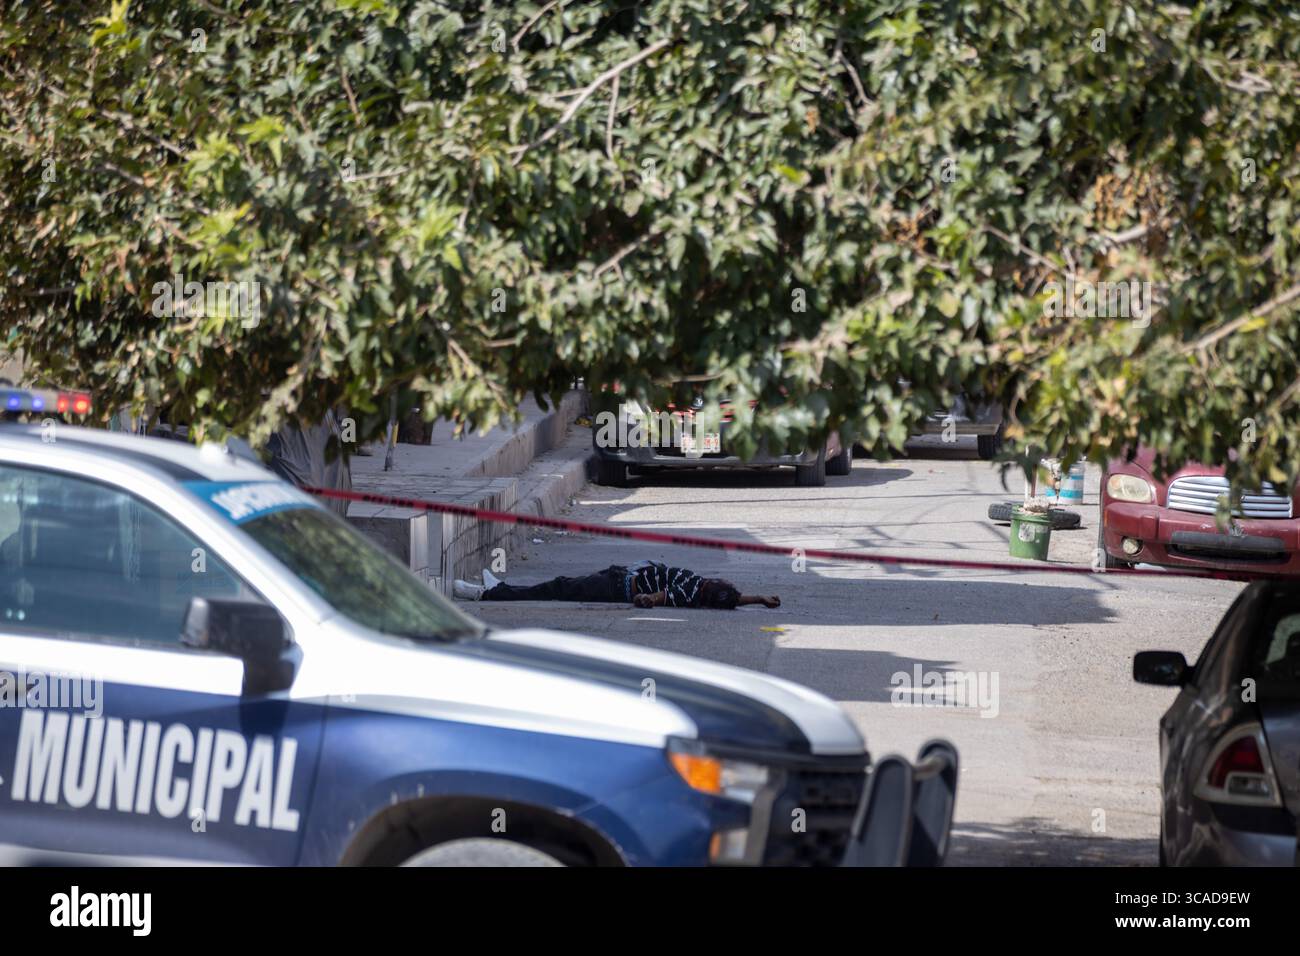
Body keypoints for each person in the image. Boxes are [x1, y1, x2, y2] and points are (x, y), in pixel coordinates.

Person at [453, 560, 781, 610]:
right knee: (561, 584)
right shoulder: (710, 591)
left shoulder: (692, 593)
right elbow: (736, 598)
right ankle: (497, 588)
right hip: (618, 576)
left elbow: (663, 595)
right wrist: (761, 599)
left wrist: (648, 599)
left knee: (557, 586)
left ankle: (488, 593)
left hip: (614, 588)